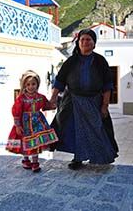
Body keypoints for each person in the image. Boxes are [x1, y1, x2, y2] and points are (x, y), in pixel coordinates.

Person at [50, 28, 119, 170]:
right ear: (78, 43)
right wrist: (52, 99)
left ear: (94, 43)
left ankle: (101, 156)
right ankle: (78, 158)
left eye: (88, 40)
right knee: (75, 130)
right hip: (73, 101)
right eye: (82, 40)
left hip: (94, 101)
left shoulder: (100, 61)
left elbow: (107, 85)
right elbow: (60, 81)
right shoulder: (71, 61)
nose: (85, 42)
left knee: (97, 129)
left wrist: (104, 105)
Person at [6, 70, 58, 172]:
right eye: (28, 84)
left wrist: (52, 105)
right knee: (24, 141)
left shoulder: (40, 97)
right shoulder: (21, 99)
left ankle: (35, 162)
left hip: (38, 123)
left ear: (37, 84)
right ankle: (26, 160)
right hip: (24, 124)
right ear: (24, 85)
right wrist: (17, 125)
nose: (31, 87)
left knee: (36, 142)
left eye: (33, 84)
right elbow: (16, 111)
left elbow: (45, 106)